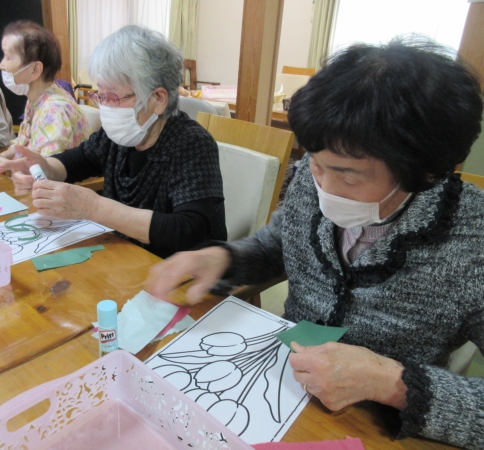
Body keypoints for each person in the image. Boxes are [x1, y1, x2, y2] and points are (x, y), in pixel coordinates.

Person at [146, 37, 484, 449]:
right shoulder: (317, 170)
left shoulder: (473, 242)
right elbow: (283, 244)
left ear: (423, 173)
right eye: (315, 163)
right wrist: (227, 258)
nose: (320, 183)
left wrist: (393, 383)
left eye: (347, 176)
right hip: (279, 390)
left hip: (377, 428)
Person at [0, 25, 227, 258]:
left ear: (158, 99)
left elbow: (189, 231)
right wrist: (45, 167)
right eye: (101, 95)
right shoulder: (121, 136)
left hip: (180, 270)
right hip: (126, 257)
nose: (105, 106)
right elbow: (77, 161)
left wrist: (95, 208)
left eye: (113, 97)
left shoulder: (192, 143)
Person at [0, 21, 90, 168]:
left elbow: (48, 170)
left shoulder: (54, 110)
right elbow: (23, 142)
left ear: (35, 69)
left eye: (8, 57)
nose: (1, 65)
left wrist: (1, 162)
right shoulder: (36, 99)